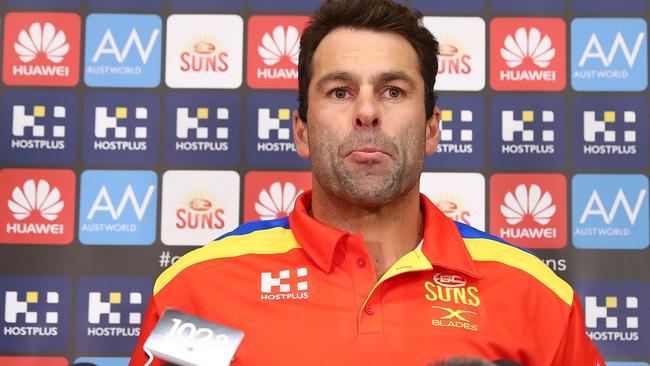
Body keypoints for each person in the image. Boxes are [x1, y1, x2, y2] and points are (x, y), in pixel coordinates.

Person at [130, 0, 604, 365]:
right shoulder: (199, 288)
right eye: (340, 91)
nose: (367, 112)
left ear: (432, 129)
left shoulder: (532, 294)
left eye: (393, 91)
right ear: (301, 131)